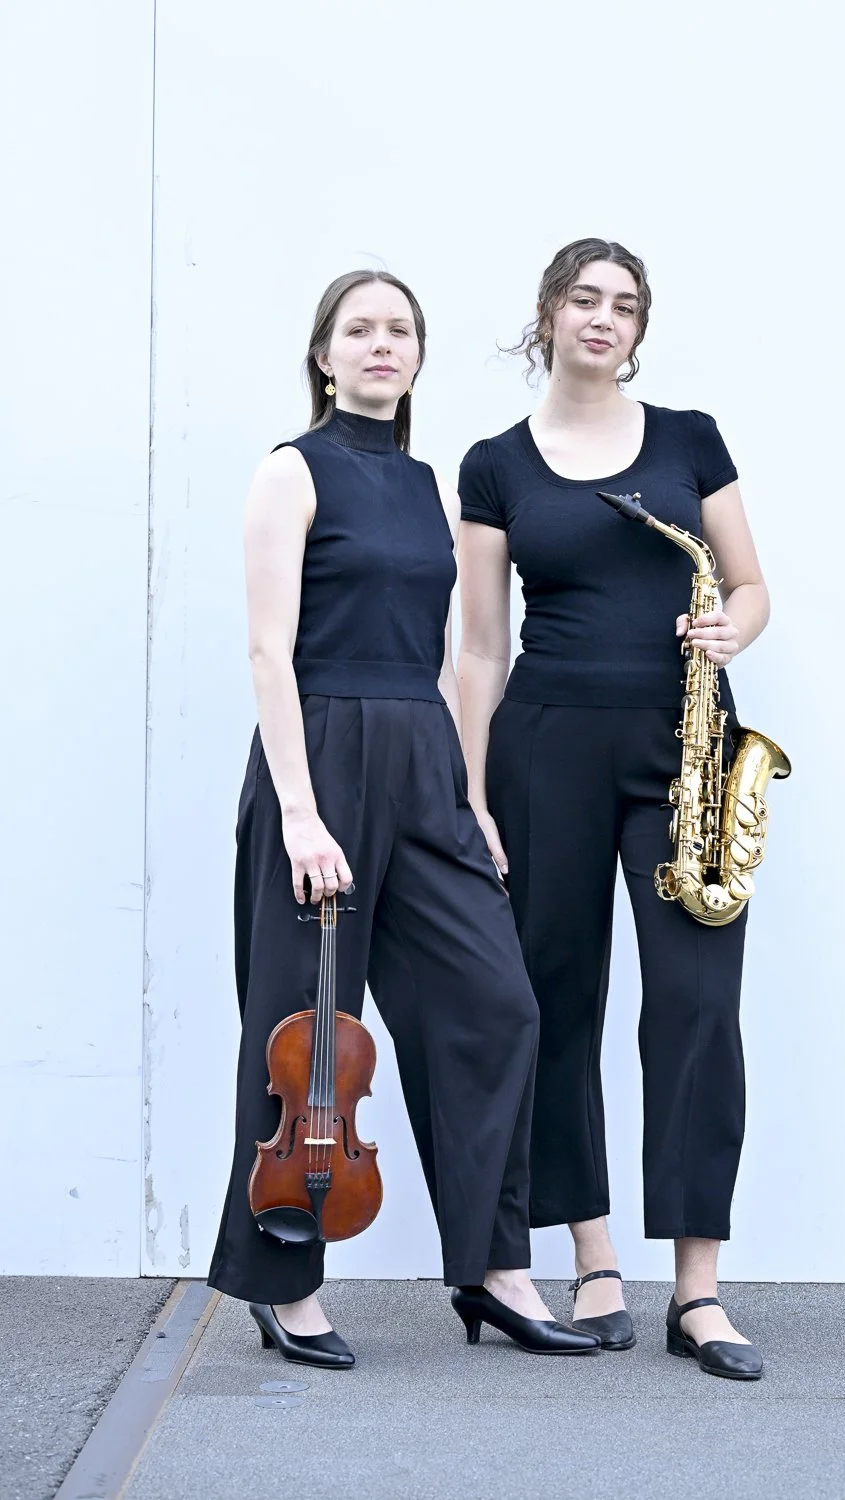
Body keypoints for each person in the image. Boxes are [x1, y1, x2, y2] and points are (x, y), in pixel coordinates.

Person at [207, 269, 600, 1367]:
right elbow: (267, 652)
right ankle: (282, 1280)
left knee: (496, 1005)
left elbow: (449, 651)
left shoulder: (429, 483)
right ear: (324, 354)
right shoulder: (291, 470)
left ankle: (494, 1268)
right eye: (359, 329)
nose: (381, 344)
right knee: (300, 1033)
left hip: (422, 757)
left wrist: (467, 799)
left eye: (400, 330)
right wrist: (299, 813)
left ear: (418, 355)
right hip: (321, 752)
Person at [456, 238, 770, 1380]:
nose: (603, 318)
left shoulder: (690, 438)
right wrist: (472, 791)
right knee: (556, 998)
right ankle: (592, 1258)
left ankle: (698, 1290)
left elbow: (751, 585)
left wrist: (733, 628)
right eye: (584, 299)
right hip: (546, 750)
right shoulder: (493, 464)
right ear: (547, 312)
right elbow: (480, 647)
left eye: (624, 305)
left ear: (640, 328)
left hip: (686, 745)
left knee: (697, 1005)